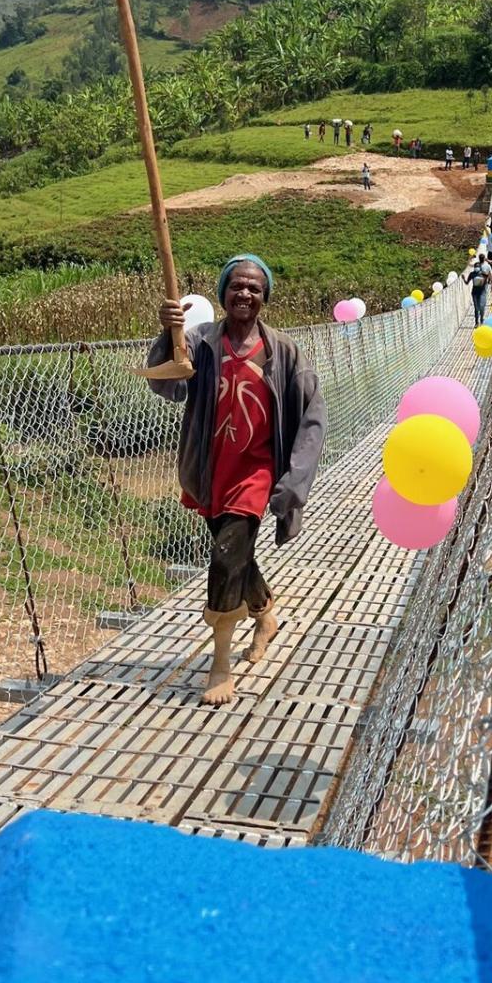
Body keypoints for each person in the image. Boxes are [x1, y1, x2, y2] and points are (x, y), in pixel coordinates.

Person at [149, 256, 326, 706]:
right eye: (236, 286)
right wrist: (164, 332)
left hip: (256, 471)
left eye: (254, 287)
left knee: (227, 557)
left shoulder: (284, 353)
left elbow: (311, 419)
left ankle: (220, 662)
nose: (244, 294)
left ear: (265, 296)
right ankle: (265, 613)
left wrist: (295, 481)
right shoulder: (201, 343)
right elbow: (166, 383)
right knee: (235, 553)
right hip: (210, 471)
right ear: (223, 292)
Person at [466, 254, 492, 325]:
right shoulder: (472, 274)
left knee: (481, 306)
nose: (476, 268)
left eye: (477, 267)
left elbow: (489, 275)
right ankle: (476, 322)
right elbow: (467, 282)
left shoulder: (484, 274)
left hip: (482, 291)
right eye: (475, 267)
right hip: (474, 293)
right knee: (476, 308)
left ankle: (481, 319)